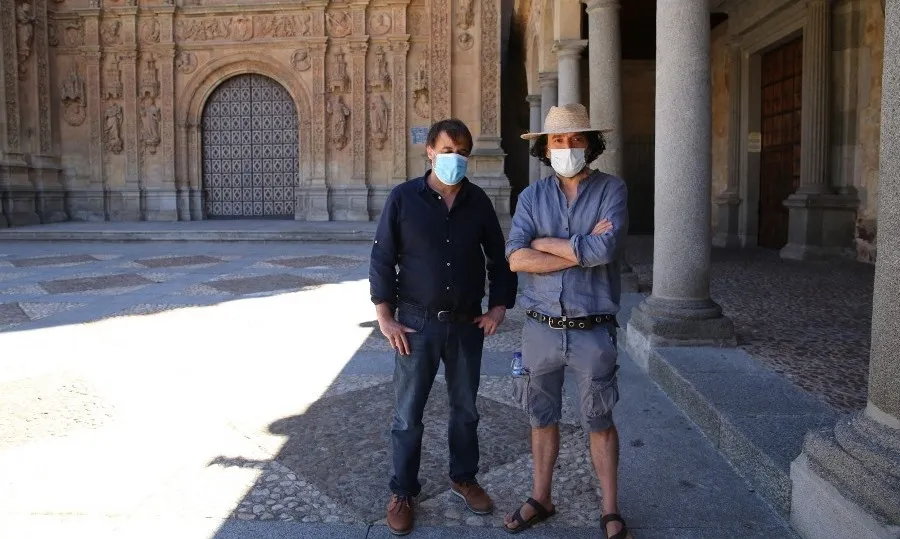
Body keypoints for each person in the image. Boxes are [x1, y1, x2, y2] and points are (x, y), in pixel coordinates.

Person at [369, 118, 518, 536]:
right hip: (415, 325)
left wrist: (499, 308)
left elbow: (499, 259)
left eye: (463, 151)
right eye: (448, 149)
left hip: (467, 325)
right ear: (430, 152)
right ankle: (402, 491)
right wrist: (385, 316)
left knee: (466, 410)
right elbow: (382, 260)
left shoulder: (479, 203)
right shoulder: (403, 199)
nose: (456, 157)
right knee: (408, 414)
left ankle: (463, 477)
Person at [503, 103, 632, 539]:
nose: (567, 146)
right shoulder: (530, 197)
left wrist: (546, 243)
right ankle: (541, 497)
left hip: (592, 330)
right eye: (558, 139)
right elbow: (516, 257)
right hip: (540, 328)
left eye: (576, 138)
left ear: (590, 144)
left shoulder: (612, 190)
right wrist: (576, 250)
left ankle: (611, 509)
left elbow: (605, 252)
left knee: (600, 419)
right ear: (546, 146)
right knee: (541, 418)